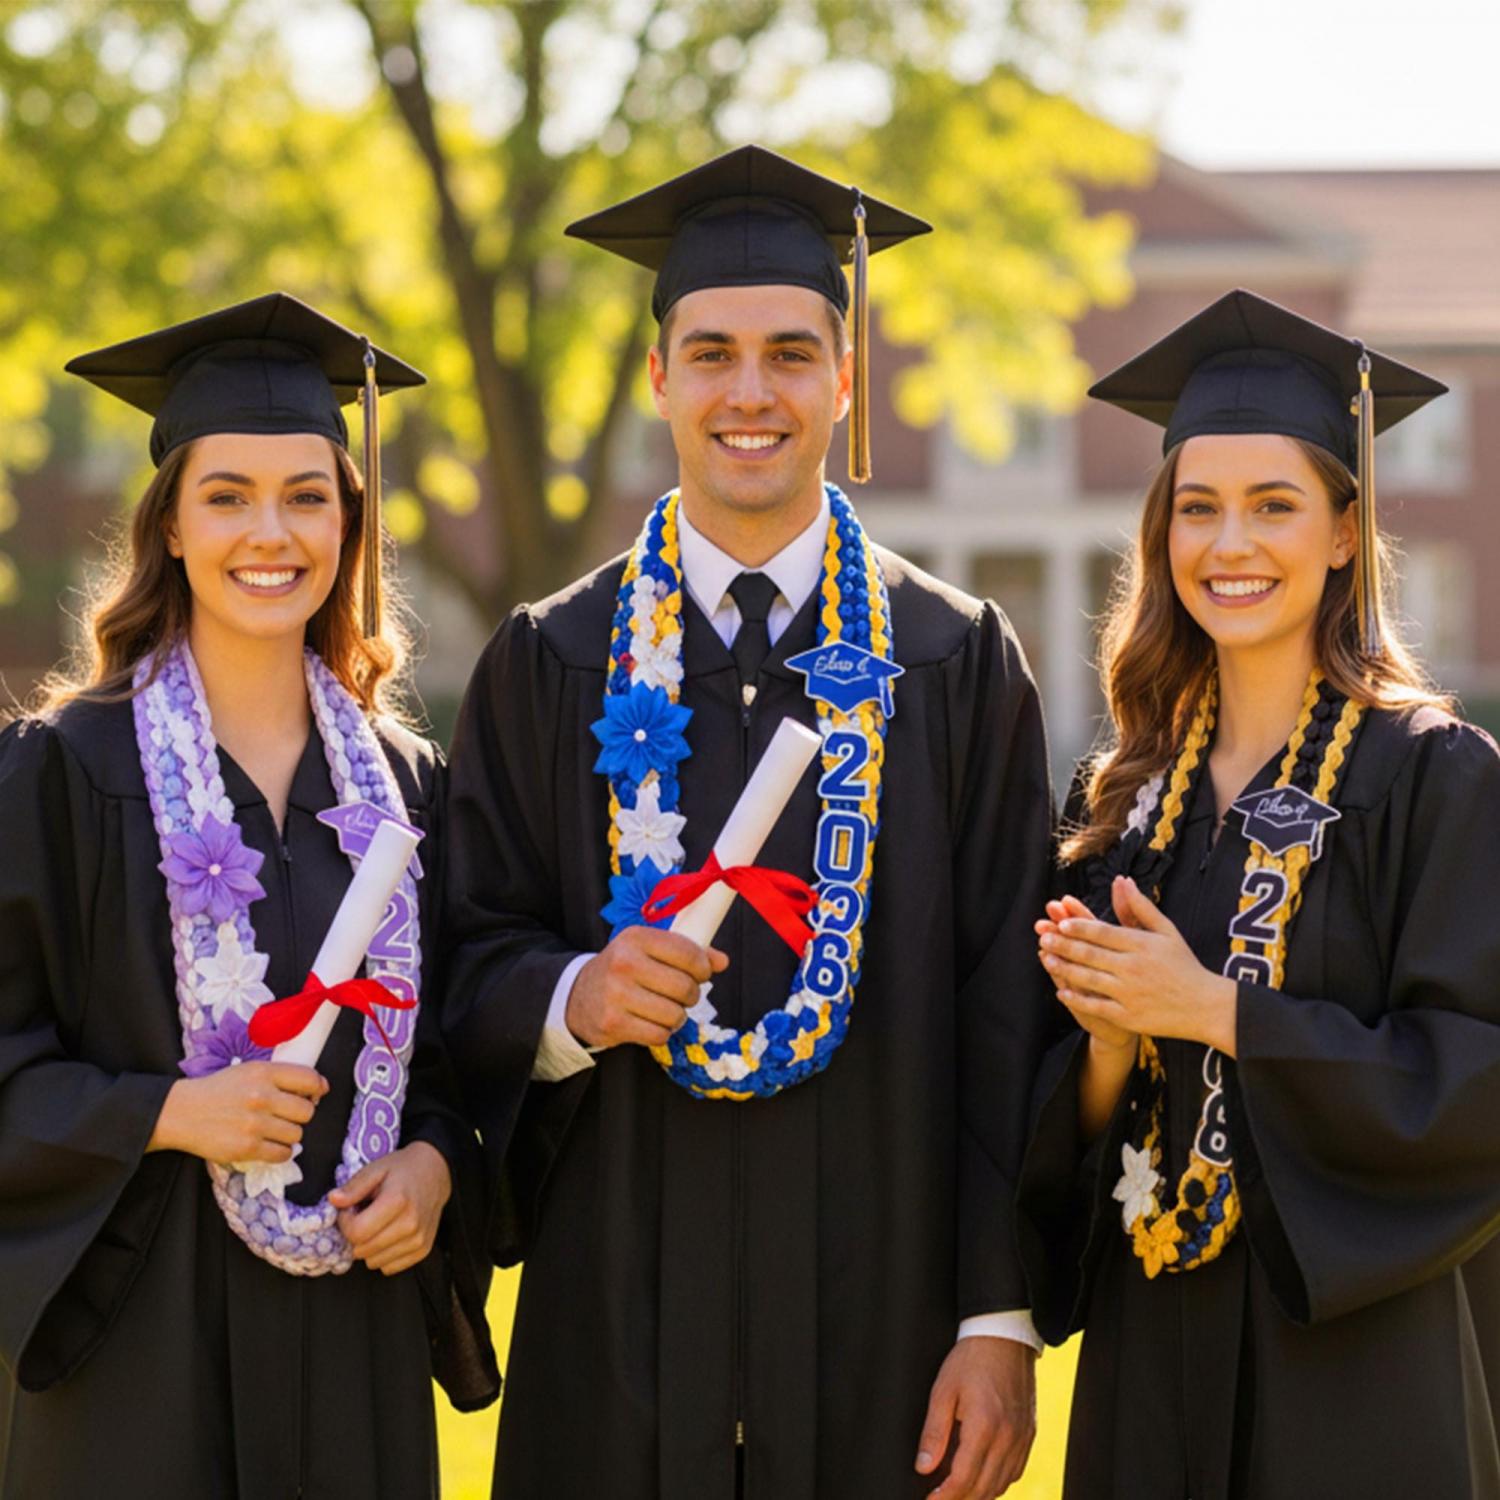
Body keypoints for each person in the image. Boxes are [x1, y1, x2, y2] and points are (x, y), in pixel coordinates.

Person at [443, 145, 1054, 1500]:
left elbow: (1008, 1003)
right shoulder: (552, 659)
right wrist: (572, 1000)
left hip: (885, 1329)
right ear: (659, 378)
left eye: (791, 354)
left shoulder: (951, 660)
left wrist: (997, 1317)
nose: (751, 393)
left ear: (846, 376)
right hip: (616, 1315)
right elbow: (464, 947)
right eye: (711, 354)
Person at [0, 294, 497, 1499]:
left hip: (351, 1338)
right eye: (227, 496)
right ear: (170, 526)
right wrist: (170, 1114)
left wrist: (433, 1168)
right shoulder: (66, 772)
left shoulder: (405, 786)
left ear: (348, 525)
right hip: (137, 1345)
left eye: (306, 497)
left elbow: (451, 1062)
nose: (270, 533)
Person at [1017, 288, 1500, 1498]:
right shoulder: (1125, 800)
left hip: (1356, 1367)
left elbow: (1477, 1081)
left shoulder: (1433, 778)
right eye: (1199, 508)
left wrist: (1217, 1012)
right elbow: (1057, 1128)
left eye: (1274, 505)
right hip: (1150, 1346)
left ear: (1344, 533)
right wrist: (1112, 1042)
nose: (1229, 544)